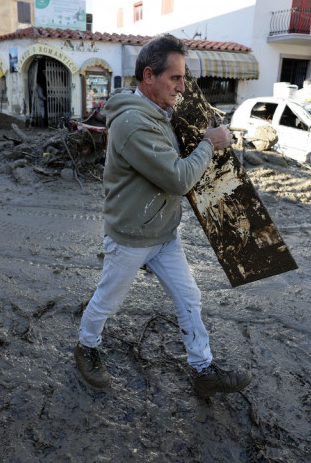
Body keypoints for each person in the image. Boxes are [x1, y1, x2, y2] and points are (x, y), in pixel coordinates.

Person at [74, 34, 251, 399]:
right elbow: (178, 177)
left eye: (184, 79)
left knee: (189, 298)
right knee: (108, 301)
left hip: (164, 233)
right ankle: (86, 347)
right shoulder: (133, 124)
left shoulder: (160, 113)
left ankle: (203, 370)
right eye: (176, 79)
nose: (182, 88)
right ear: (149, 76)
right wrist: (209, 143)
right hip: (131, 236)